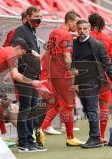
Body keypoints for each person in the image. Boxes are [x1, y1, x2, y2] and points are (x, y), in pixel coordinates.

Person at [40, 11, 85, 147]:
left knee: (59, 105)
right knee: (69, 106)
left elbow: (50, 51)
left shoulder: (54, 32)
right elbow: (66, 56)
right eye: (76, 23)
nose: (77, 27)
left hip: (53, 73)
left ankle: (40, 130)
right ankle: (70, 137)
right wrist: (72, 71)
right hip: (62, 74)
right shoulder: (66, 35)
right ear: (70, 21)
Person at [72, 20, 112, 148]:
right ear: (77, 29)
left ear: (89, 29)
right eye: (79, 28)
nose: (81, 31)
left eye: (84, 29)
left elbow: (107, 63)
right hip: (81, 81)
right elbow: (74, 62)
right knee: (88, 109)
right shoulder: (75, 43)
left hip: (94, 80)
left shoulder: (97, 44)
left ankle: (95, 138)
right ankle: (95, 137)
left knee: (91, 108)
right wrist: (75, 81)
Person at [11, 6, 45, 152]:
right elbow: (15, 46)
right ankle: (24, 142)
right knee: (26, 109)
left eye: (41, 16)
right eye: (37, 16)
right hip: (24, 75)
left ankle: (30, 141)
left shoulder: (32, 30)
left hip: (34, 75)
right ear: (28, 16)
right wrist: (31, 51)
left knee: (32, 109)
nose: (39, 18)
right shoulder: (21, 30)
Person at [88, 13, 112, 144]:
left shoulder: (85, 37)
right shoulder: (108, 38)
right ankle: (101, 136)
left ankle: (93, 136)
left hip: (88, 76)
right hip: (105, 76)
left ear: (90, 23)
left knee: (91, 107)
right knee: (104, 106)